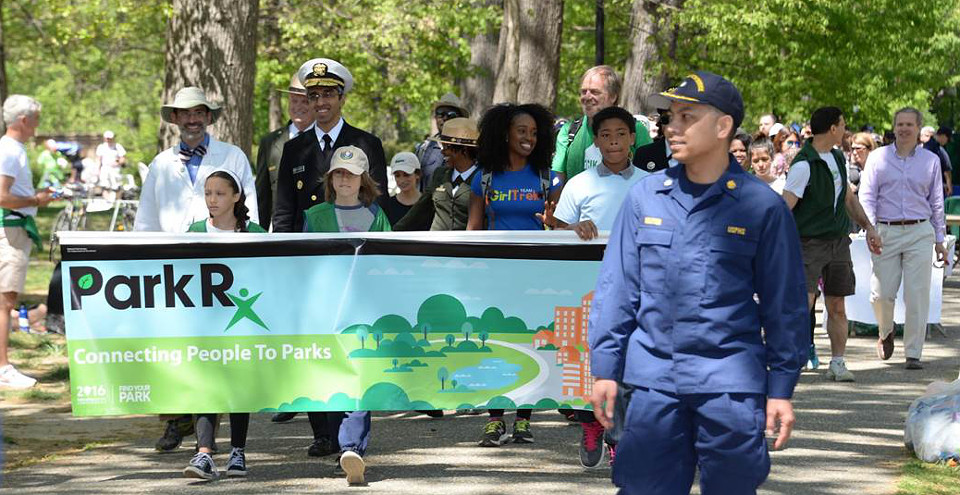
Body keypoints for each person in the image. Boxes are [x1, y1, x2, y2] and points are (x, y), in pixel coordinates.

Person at [589, 72, 808, 495]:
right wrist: (604, 368)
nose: (672, 127)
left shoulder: (761, 207)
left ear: (723, 126)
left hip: (730, 386)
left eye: (687, 116)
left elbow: (786, 307)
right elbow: (617, 289)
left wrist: (781, 388)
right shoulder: (645, 198)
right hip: (654, 384)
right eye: (671, 117)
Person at [134, 86, 258, 452]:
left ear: (209, 117)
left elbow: (251, 207)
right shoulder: (161, 163)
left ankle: (210, 434)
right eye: (184, 113)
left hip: (222, 264)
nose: (191, 119)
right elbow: (146, 217)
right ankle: (174, 420)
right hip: (173, 266)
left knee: (215, 346)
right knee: (174, 343)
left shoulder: (232, 156)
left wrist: (248, 252)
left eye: (198, 113)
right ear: (174, 119)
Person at [544, 106, 647, 468]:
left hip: (637, 289)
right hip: (587, 289)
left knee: (628, 362)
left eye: (621, 133)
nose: (614, 141)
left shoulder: (649, 184)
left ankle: (618, 436)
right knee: (589, 360)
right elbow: (554, 231)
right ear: (596, 140)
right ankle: (590, 425)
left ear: (633, 138)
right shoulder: (580, 184)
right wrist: (573, 229)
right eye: (606, 135)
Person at [468, 103, 561, 446]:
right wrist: (470, 272)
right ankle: (495, 419)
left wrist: (552, 222)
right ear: (505, 133)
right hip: (495, 274)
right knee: (496, 344)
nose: (529, 138)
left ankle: (524, 419)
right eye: (522, 131)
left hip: (534, 275)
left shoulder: (546, 177)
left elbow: (560, 224)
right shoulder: (485, 177)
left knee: (529, 341)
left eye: (535, 133)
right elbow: (473, 229)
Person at [302, 145, 386, 485]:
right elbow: (304, 263)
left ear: (362, 179)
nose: (343, 179)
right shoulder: (315, 215)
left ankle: (352, 449)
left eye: (350, 174)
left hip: (363, 310)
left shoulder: (376, 216)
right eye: (338, 173)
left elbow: (388, 262)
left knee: (359, 376)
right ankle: (343, 446)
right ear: (330, 178)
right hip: (325, 309)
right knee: (333, 377)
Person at [781, 106, 882, 383]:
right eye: (843, 124)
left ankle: (837, 362)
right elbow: (784, 207)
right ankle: (789, 359)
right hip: (808, 243)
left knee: (838, 305)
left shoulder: (838, 157)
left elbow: (849, 200)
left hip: (839, 242)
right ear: (833, 128)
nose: (846, 129)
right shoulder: (803, 164)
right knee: (803, 305)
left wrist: (870, 228)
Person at [182, 170, 263, 480]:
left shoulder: (254, 232)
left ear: (236, 197)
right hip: (204, 325)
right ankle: (203, 454)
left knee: (237, 387)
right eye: (207, 193)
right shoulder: (193, 232)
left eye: (219, 193)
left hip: (243, 324)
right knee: (205, 386)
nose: (212, 199)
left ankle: (237, 451)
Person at [859, 107, 948, 370]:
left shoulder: (931, 161)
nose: (904, 128)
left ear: (919, 128)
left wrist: (940, 239)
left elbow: (937, 202)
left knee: (917, 294)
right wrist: (870, 228)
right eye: (900, 124)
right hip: (885, 230)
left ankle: (913, 353)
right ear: (894, 126)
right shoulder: (877, 158)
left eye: (909, 124)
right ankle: (886, 330)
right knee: (881, 293)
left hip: (920, 231)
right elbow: (867, 196)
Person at [273, 58, 388, 233]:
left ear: (342, 98)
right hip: (306, 246)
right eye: (313, 96)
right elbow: (284, 211)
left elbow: (378, 201)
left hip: (353, 244)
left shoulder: (367, 144)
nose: (320, 102)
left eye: (328, 94)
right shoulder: (293, 149)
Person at [0, 95, 52, 389]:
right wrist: (36, 200)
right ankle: (3, 367)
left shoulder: (10, 148)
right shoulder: (11, 150)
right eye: (36, 120)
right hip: (11, 231)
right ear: (23, 120)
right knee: (5, 302)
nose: (37, 126)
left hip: (13, 229)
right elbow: (2, 196)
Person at [552, 65, 651, 181]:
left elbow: (650, 175)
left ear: (613, 96)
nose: (587, 97)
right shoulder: (568, 130)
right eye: (583, 92)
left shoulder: (636, 129)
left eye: (595, 92)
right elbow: (557, 176)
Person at [394, 117, 481, 232]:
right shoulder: (440, 174)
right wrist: (393, 232)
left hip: (466, 246)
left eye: (446, 147)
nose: (442, 151)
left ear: (463, 150)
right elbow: (420, 209)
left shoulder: (483, 177)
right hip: (437, 246)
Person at [255, 73, 316, 230]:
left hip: (320, 232)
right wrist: (259, 238)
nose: (298, 106)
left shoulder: (325, 139)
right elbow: (263, 197)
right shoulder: (269, 142)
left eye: (305, 101)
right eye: (294, 100)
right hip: (283, 231)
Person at [416, 93, 467, 189]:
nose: (445, 118)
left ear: (460, 118)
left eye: (451, 114)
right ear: (435, 118)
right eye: (440, 114)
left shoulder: (470, 149)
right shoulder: (423, 149)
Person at [381, 152, 421, 226]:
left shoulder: (429, 204)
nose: (402, 180)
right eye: (397, 176)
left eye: (406, 175)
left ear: (417, 174)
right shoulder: (387, 207)